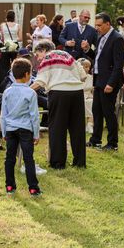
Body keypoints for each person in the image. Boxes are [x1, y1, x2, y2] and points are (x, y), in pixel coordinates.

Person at [31, 40, 87, 169]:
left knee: (57, 128)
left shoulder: (48, 58)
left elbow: (40, 81)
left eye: (37, 54)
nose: (38, 58)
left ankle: (58, 163)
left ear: (43, 50)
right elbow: (83, 76)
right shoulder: (68, 55)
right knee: (77, 129)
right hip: (77, 92)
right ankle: (80, 162)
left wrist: (25, 90)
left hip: (59, 92)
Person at [0, 58, 41, 197]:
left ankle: (10, 186)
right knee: (28, 159)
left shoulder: (7, 92)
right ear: (27, 74)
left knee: (9, 158)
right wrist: (36, 134)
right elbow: (34, 116)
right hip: (26, 129)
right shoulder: (31, 93)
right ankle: (33, 188)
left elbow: (3, 115)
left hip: (10, 129)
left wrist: (3, 131)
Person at [87, 12, 124, 151]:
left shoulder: (117, 39)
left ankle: (112, 143)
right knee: (96, 111)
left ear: (108, 24)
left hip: (109, 81)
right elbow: (98, 58)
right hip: (98, 80)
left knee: (108, 112)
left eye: (99, 25)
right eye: (96, 25)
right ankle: (95, 140)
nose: (97, 28)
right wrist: (87, 50)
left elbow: (118, 64)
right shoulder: (100, 37)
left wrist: (111, 83)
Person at [78, 58, 94, 134]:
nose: (88, 69)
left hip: (89, 96)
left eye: (89, 67)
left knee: (92, 102)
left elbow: (93, 89)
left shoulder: (91, 77)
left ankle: (90, 124)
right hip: (78, 96)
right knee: (84, 102)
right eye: (86, 67)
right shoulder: (75, 77)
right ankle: (82, 125)